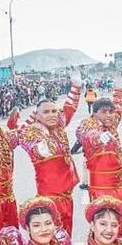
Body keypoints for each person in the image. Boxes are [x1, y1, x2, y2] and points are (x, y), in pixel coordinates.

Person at [11, 71, 82, 236]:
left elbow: (69, 108)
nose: (51, 115)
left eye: (53, 111)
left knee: (66, 235)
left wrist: (76, 88)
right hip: (50, 197)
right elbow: (30, 144)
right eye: (46, 112)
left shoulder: (58, 126)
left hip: (67, 195)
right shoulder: (32, 132)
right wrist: (39, 149)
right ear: (37, 116)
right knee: (53, 237)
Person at [76, 93, 122, 235]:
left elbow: (118, 111)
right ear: (94, 113)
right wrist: (100, 137)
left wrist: (119, 88)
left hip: (119, 186)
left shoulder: (111, 124)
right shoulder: (89, 125)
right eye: (104, 112)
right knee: (106, 226)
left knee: (121, 223)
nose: (108, 115)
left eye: (110, 112)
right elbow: (87, 135)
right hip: (102, 189)